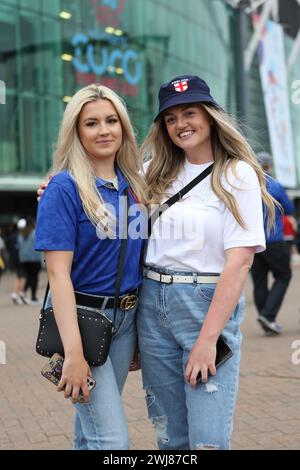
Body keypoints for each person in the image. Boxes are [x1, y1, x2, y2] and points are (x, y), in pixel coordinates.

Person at [136, 75, 275, 450]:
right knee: (170, 438)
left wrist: (207, 340)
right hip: (151, 303)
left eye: (190, 113)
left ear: (211, 117)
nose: (181, 124)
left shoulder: (237, 174)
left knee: (207, 441)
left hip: (205, 303)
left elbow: (241, 261)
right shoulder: (153, 172)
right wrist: (54, 187)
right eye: (170, 118)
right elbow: (101, 192)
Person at [35, 84, 147, 450]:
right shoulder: (63, 189)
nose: (104, 130)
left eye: (112, 121)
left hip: (125, 323)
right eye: (92, 123)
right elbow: (57, 276)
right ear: (76, 132)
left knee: (91, 433)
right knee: (111, 440)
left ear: (124, 128)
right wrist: (73, 353)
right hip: (82, 322)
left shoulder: (136, 187)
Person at [250, 152, 294, 335]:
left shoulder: (247, 185)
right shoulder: (274, 185)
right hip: (273, 240)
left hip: (252, 242)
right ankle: (268, 315)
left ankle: (265, 318)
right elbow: (289, 209)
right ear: (268, 166)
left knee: (259, 282)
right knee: (284, 275)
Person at [18, 217, 43, 304]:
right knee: (34, 278)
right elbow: (39, 245)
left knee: (28, 276)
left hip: (24, 259)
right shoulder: (34, 233)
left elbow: (19, 246)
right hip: (34, 259)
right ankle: (33, 297)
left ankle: (22, 293)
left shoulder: (22, 234)